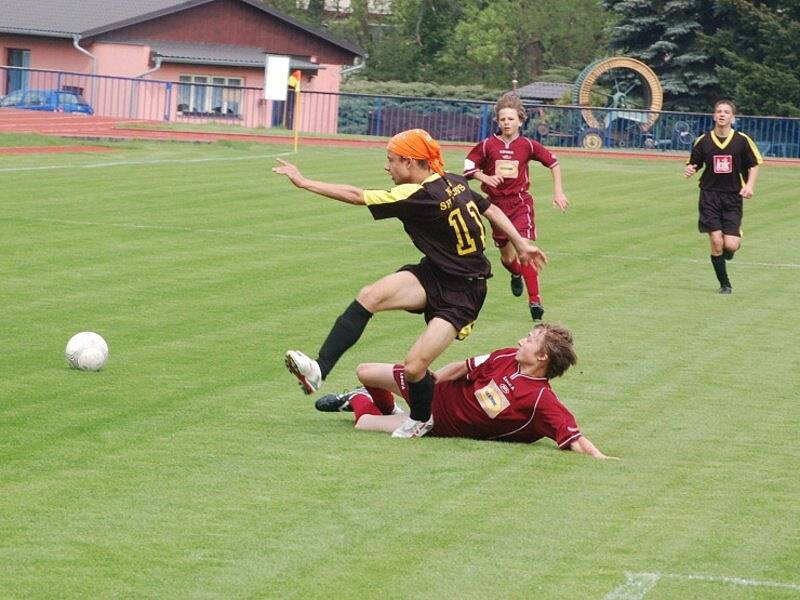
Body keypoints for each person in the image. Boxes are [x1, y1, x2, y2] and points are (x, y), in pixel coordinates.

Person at [272, 128, 547, 437]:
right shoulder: (454, 180)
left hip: (464, 292)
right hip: (434, 273)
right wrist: (520, 242)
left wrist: (304, 181)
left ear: (411, 162)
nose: (387, 168)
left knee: (415, 367)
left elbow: (355, 195)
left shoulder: (416, 194)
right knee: (370, 295)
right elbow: (491, 208)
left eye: (391, 161)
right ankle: (319, 369)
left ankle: (420, 419)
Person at [314, 322, 614, 458]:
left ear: (542, 357)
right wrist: (425, 385)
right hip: (431, 393)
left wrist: (603, 461)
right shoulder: (506, 356)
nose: (522, 341)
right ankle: (386, 403)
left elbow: (574, 438)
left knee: (363, 423)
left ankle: (358, 399)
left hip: (435, 424)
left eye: (530, 340)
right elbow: (462, 367)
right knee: (364, 370)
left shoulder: (540, 400)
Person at [464, 93, 569, 321]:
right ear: (498, 121)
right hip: (495, 207)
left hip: (520, 204)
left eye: (511, 119)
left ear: (520, 121)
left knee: (524, 250)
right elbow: (468, 166)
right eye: (503, 119)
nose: (506, 123)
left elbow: (554, 162)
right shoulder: (487, 145)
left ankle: (535, 301)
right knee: (507, 260)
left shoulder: (528, 145)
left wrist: (558, 191)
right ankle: (515, 275)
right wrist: (484, 177)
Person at [684, 99, 763, 294]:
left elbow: (754, 165)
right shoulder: (703, 141)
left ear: (732, 117)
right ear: (714, 116)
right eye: (719, 111)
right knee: (716, 241)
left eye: (726, 112)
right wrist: (690, 169)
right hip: (709, 195)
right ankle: (725, 284)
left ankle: (735, 238)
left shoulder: (742, 141)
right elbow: (694, 163)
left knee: (731, 245)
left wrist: (750, 186)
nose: (722, 114)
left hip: (732, 197)